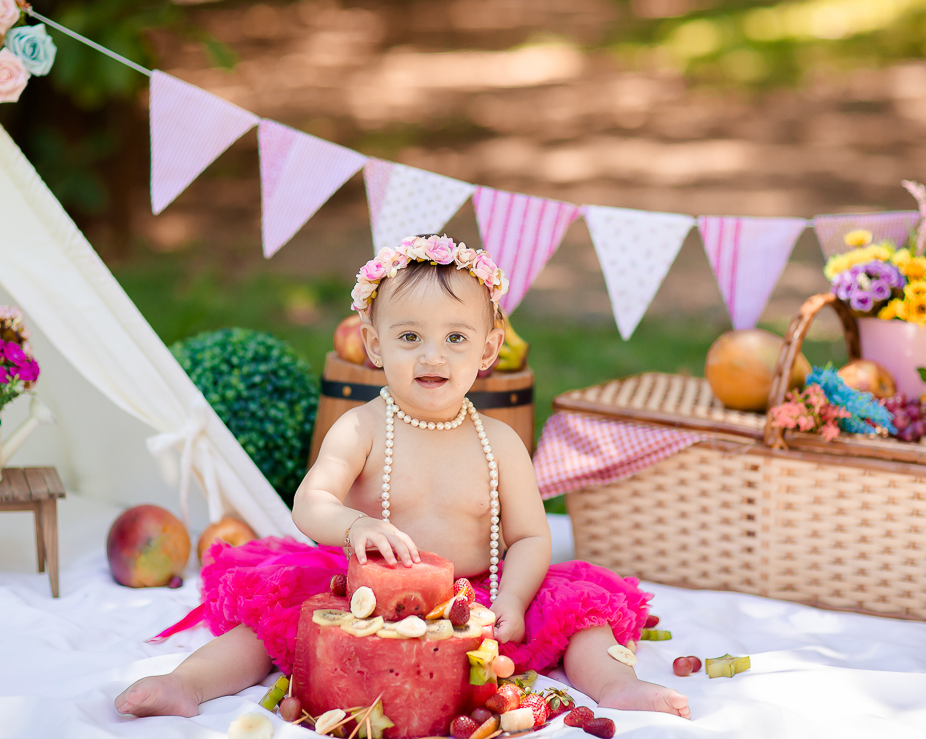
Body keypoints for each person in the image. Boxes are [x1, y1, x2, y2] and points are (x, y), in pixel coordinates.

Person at [115, 235, 690, 720]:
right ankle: (186, 684)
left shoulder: (500, 443)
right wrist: (353, 524)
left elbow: (532, 537)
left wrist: (512, 600)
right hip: (363, 593)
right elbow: (310, 501)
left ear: (488, 349)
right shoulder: (362, 428)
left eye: (456, 338)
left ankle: (619, 687)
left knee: (584, 616)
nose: (432, 356)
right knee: (272, 626)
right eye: (410, 337)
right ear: (374, 344)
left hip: (477, 596)